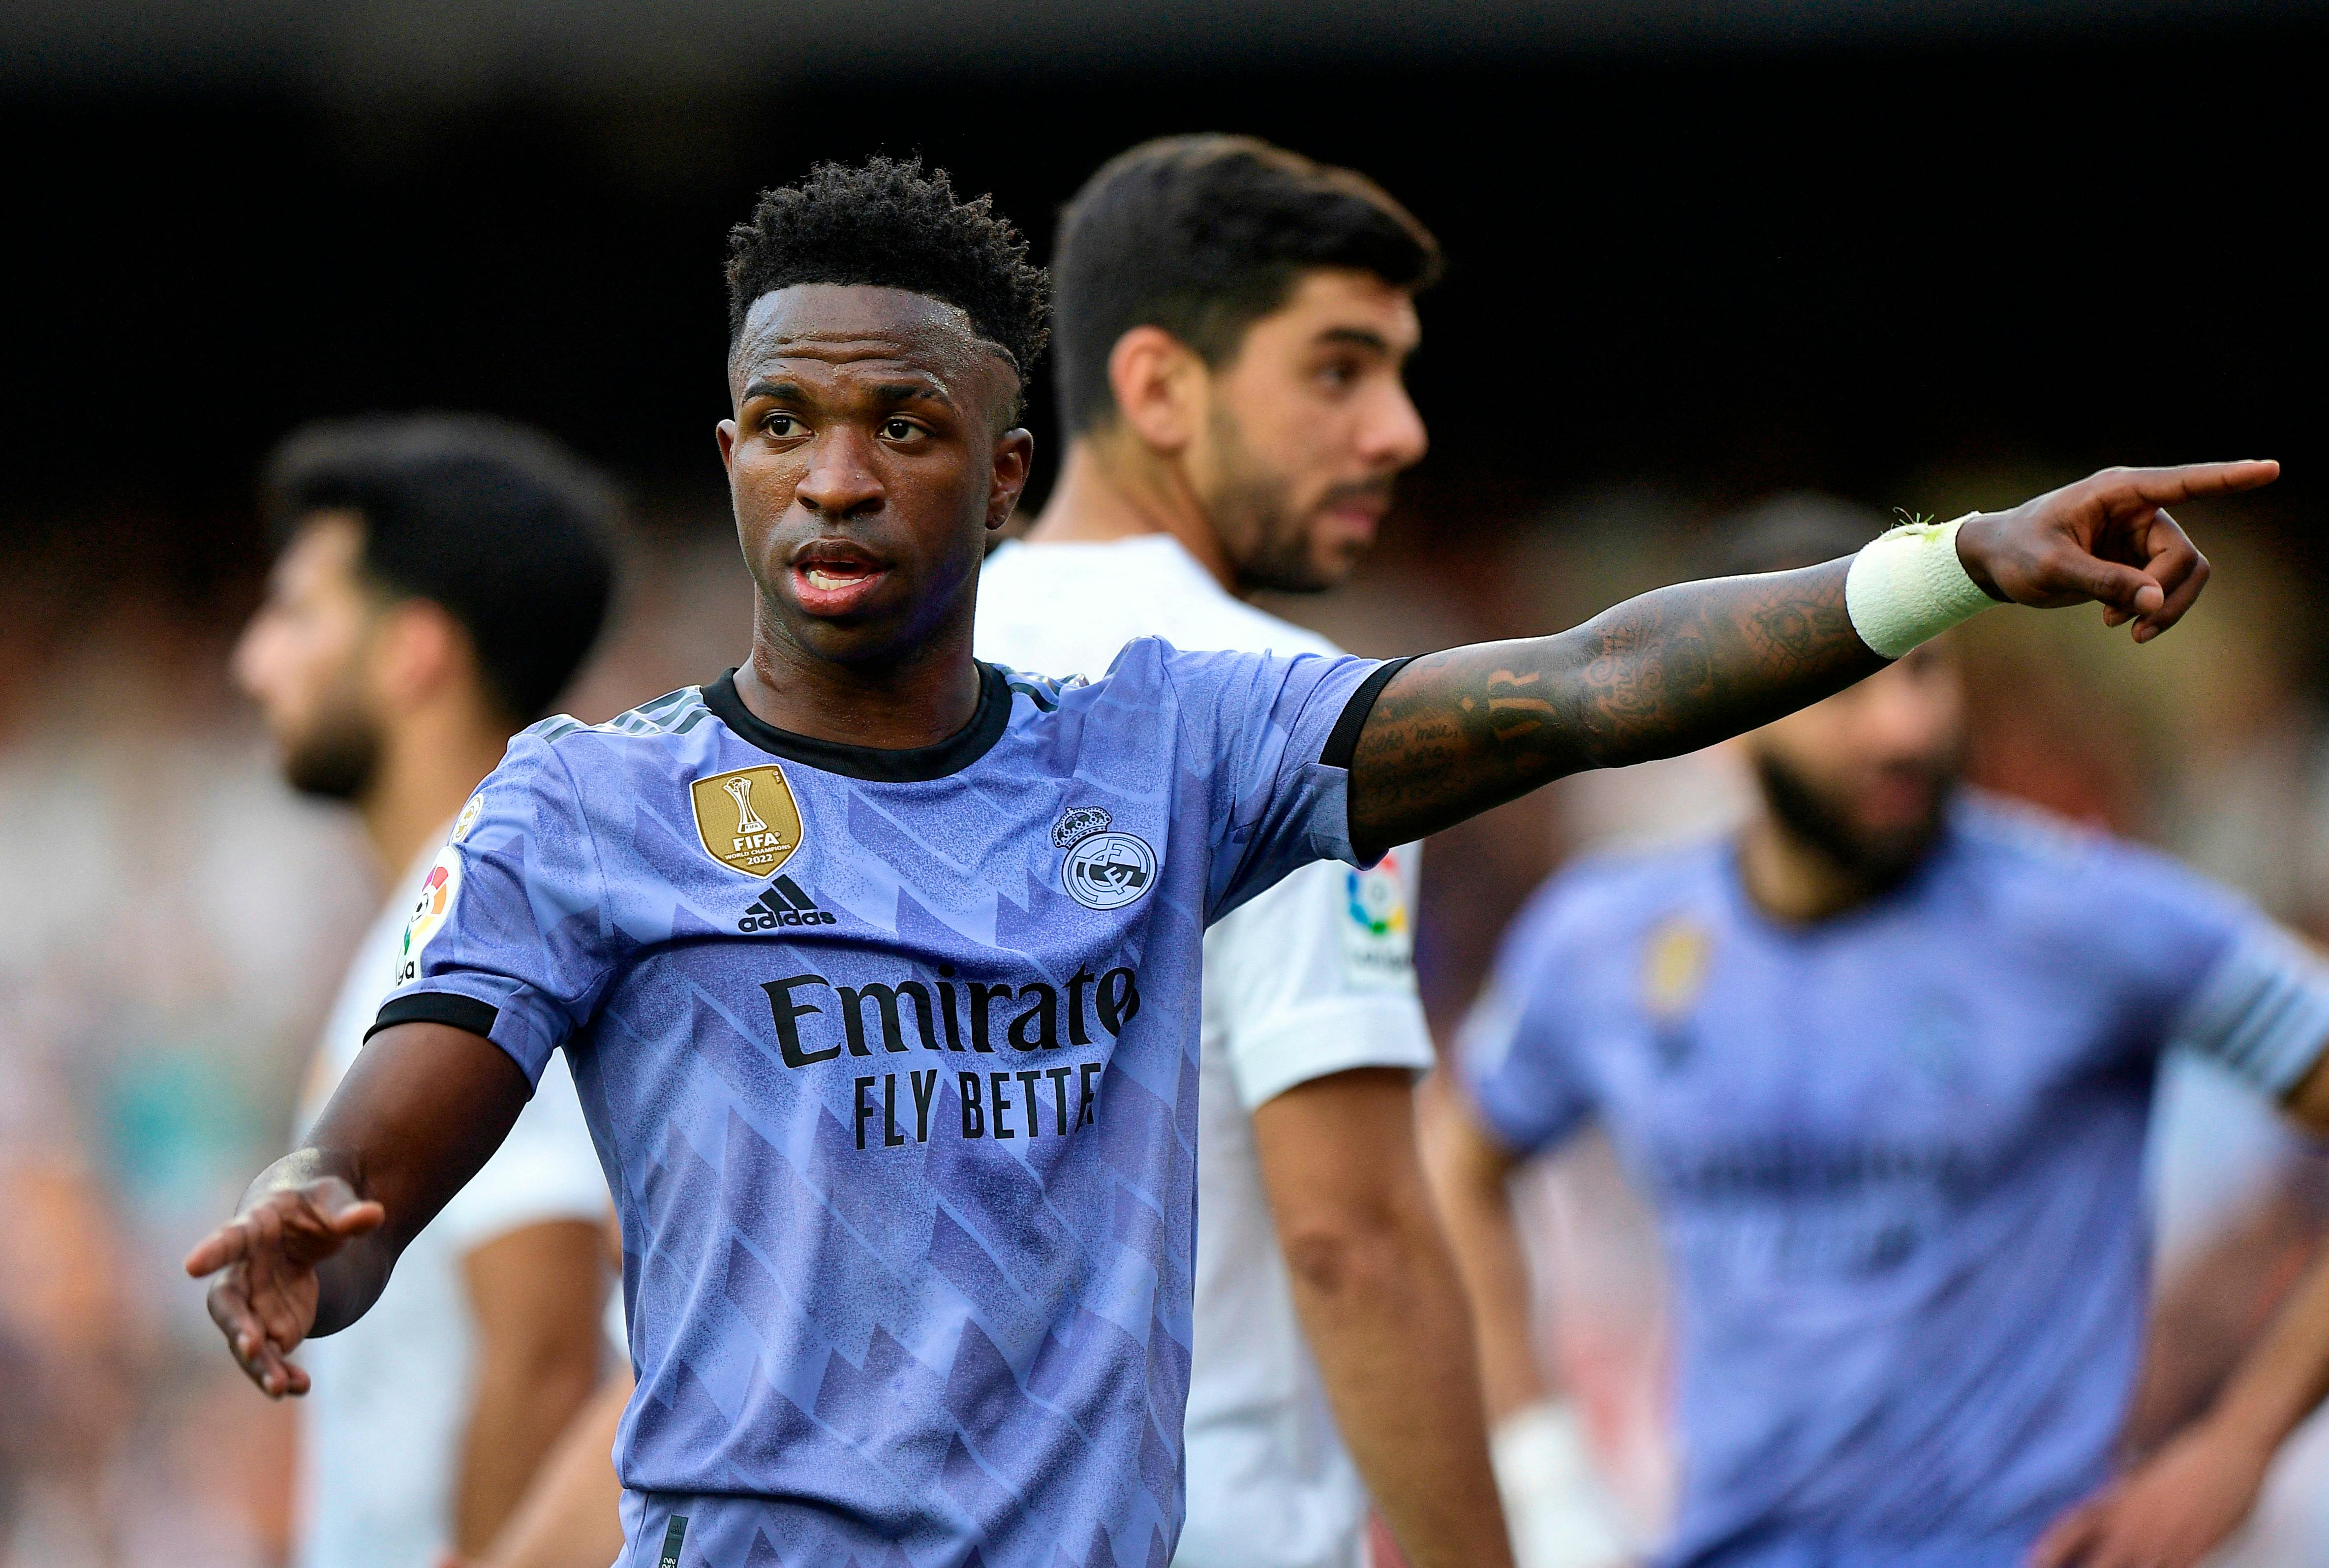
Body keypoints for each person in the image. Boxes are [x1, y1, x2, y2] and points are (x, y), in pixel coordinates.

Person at [185, 154, 2269, 1568]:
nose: (835, 472)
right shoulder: (592, 804)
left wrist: (1949, 567)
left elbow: (1584, 683)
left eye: (902, 426)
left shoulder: (1177, 744)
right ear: (727, 445)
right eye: (780, 419)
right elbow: (411, 1111)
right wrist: (318, 1221)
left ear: (1004, 470)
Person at [1421, 496, 2329, 1568]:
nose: (1903, 729)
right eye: (1846, 687)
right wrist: (1545, 1480)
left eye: (1923, 673)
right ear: (1725, 714)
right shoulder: (1605, 943)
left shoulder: (2091, 917)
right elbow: (1455, 1160)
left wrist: (2239, 1445)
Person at [975, 135, 1508, 1568]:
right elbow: (1355, 1238)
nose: (1396, 428)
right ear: (1156, 386)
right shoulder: (1293, 714)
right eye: (1336, 369)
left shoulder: (876, 692)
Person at [231, 415, 620, 1568]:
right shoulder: (436, 903)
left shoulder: (500, 916)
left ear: (415, 652)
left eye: (298, 612)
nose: (254, 661)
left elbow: (546, 1339)